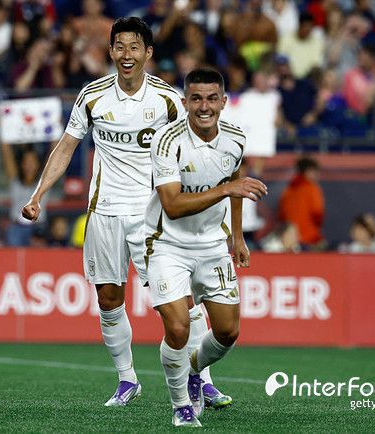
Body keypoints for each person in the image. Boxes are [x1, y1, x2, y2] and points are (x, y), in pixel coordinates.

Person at [22, 17, 231, 408]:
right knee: (108, 298)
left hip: (153, 215)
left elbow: (193, 149)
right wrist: (38, 195)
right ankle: (127, 379)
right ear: (111, 51)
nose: (126, 54)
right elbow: (66, 146)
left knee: (181, 302)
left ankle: (201, 379)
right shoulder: (92, 96)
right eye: (119, 46)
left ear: (148, 53)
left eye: (134, 46)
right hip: (104, 212)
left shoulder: (167, 99)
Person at [145, 68, 267, 427]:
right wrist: (225, 190)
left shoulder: (235, 138)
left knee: (228, 332)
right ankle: (181, 406)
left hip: (213, 244)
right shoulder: (167, 141)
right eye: (196, 98)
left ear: (223, 102)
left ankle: (195, 369)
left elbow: (236, 182)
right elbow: (172, 205)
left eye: (212, 98)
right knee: (178, 327)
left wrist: (238, 237)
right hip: (167, 243)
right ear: (185, 102)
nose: (204, 106)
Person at [1, 142, 46, 247]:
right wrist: (4, 135)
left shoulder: (44, 182)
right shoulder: (15, 182)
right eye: (26, 162)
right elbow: (7, 156)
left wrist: (56, 134)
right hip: (16, 227)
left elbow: (54, 160)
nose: (29, 165)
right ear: (21, 164)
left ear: (38, 164)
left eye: (32, 162)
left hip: (38, 228)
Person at [278, 156, 326, 249]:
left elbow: (282, 215)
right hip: (310, 238)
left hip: (290, 239)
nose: (318, 175)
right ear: (308, 171)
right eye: (315, 172)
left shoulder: (288, 190)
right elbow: (318, 214)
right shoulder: (313, 189)